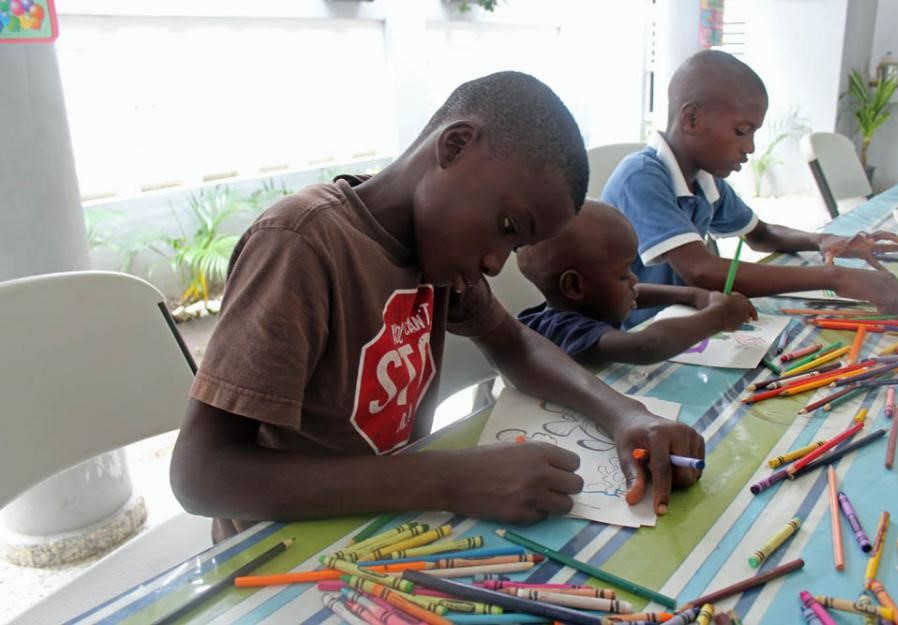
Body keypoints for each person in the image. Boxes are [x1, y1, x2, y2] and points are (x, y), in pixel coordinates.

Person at [170, 72, 702, 542]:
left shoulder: (436, 253)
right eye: (508, 228)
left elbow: (514, 345)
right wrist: (450, 478)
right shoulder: (303, 245)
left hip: (388, 526)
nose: (497, 264)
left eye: (515, 247)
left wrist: (626, 414)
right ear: (455, 146)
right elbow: (202, 475)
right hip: (285, 550)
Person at [601, 50, 898, 328]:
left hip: (684, 323)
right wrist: (834, 276)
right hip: (632, 334)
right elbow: (701, 270)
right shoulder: (641, 178)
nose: (749, 148)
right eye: (741, 131)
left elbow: (761, 235)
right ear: (691, 118)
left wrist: (821, 240)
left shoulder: (705, 182)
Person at [516, 199, 757, 364]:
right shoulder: (562, 330)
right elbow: (647, 345)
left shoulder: (584, 303)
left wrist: (692, 295)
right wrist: (719, 317)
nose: (634, 279)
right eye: (623, 275)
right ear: (575, 286)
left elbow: (634, 292)